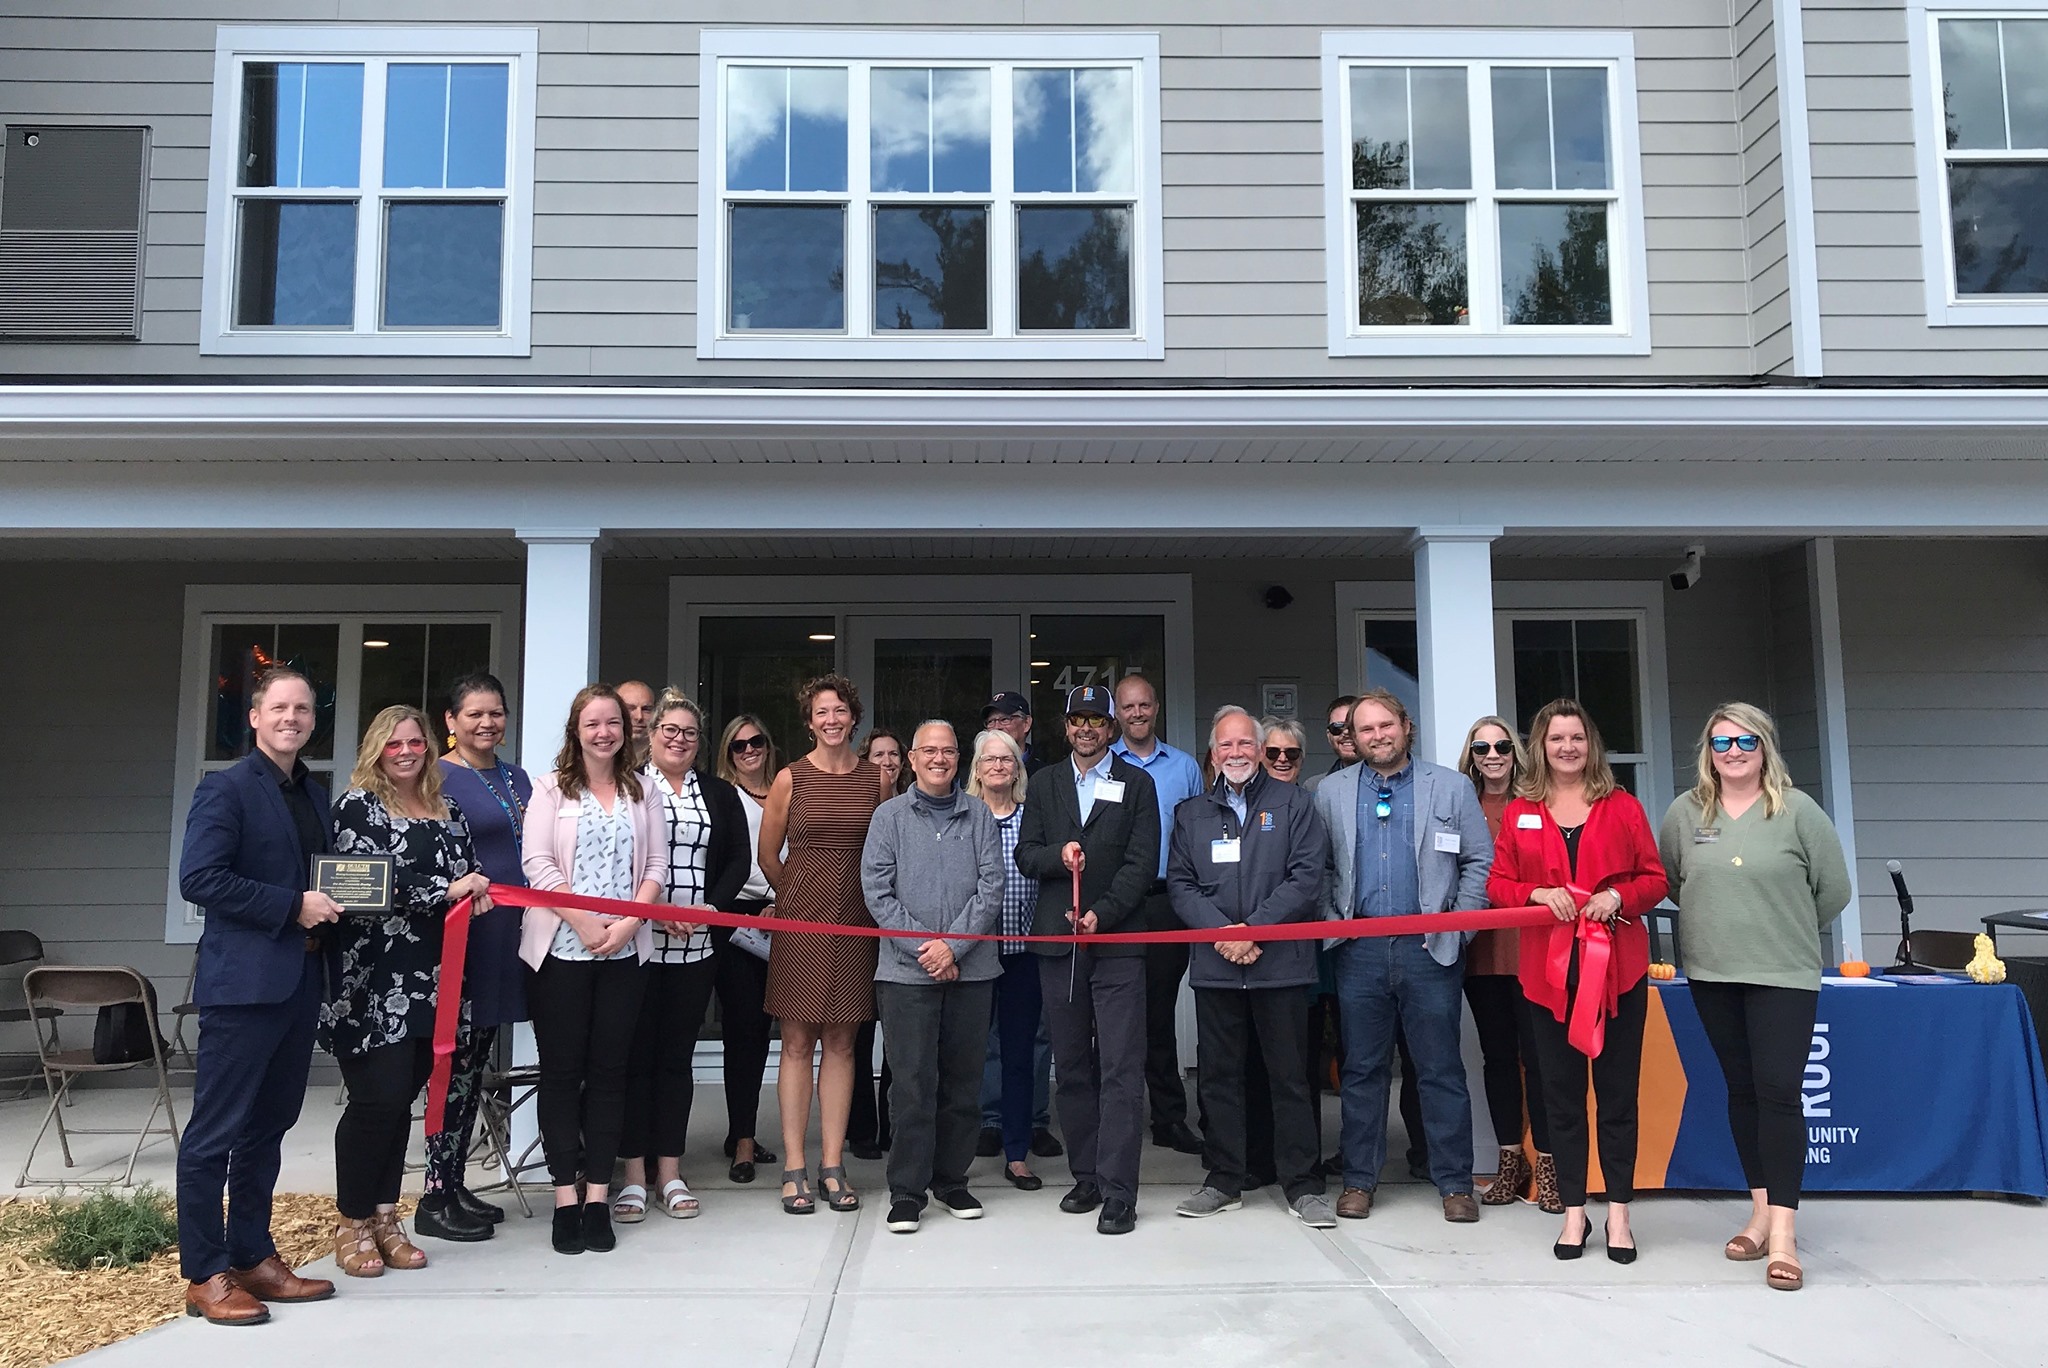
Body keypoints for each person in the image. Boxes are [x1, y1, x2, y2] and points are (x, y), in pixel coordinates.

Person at [1659, 703, 1850, 1292]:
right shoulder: (1685, 813)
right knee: (1741, 1091)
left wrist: (1780, 929)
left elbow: (1834, 890)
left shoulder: (1797, 811)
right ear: (1707, 752)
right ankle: (1760, 1211)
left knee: (1778, 1093)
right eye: (1722, 743)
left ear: (1765, 747)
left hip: (1783, 975)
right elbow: (1673, 882)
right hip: (1713, 974)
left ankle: (1786, 1237)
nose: (1734, 752)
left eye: (1746, 741)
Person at [176, 667, 341, 1325]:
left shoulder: (315, 794)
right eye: (280, 707)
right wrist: (290, 905)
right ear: (254, 716)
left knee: (267, 1129)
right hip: (242, 987)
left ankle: (252, 1255)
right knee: (214, 1134)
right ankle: (204, 1273)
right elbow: (200, 877)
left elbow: (333, 884)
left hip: (300, 983)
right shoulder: (226, 790)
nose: (292, 718)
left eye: (302, 709)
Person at [1487, 698, 1668, 1265]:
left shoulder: (1623, 807)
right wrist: (1535, 894)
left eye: (1577, 738)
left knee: (1617, 1097)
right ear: (1540, 746)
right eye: (1556, 738)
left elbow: (1655, 879)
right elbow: (1497, 885)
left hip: (1618, 973)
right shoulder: (1521, 810)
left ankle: (1618, 1211)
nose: (1567, 747)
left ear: (1592, 745)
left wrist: (1619, 896)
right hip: (1546, 977)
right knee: (1560, 1097)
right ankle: (1572, 1212)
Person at [324, 706, 492, 1276]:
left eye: (415, 742)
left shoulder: (449, 807)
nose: (405, 751)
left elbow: (470, 870)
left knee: (404, 1101)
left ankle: (384, 1215)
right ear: (376, 749)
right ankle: (350, 1219)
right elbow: (362, 882)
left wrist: (476, 890)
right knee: (378, 1099)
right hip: (373, 982)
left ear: (429, 746)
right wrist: (449, 889)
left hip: (439, 978)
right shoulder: (358, 807)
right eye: (392, 743)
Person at [1313, 689, 1492, 1224]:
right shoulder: (1331, 791)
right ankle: (1359, 1181)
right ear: (1353, 737)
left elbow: (1478, 863)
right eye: (1364, 729)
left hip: (1429, 950)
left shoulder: (1451, 786)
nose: (1376, 736)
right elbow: (1318, 867)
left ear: (1405, 726)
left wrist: (1455, 931)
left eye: (1385, 725)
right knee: (1362, 1069)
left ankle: (1455, 1183)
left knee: (1438, 1069)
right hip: (1359, 950)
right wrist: (1331, 924)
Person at [1167, 707, 1334, 1227]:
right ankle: (1223, 1180)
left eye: (1245, 744)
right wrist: (1224, 935)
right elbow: (1180, 884)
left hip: (1279, 964)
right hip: (1217, 968)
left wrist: (1253, 930)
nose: (1235, 753)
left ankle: (1302, 1186)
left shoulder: (1295, 803)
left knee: (1289, 1078)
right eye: (1225, 746)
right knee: (1218, 1078)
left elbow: (1307, 877)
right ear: (1212, 754)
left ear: (1260, 751)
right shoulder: (1191, 812)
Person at [520, 684, 665, 1257]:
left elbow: (653, 866)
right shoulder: (550, 790)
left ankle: (599, 1197)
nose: (604, 732)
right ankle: (564, 1199)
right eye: (592, 724)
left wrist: (629, 924)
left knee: (610, 1074)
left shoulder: (643, 790)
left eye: (613, 722)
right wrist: (582, 922)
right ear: (575, 732)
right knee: (561, 1074)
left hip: (624, 953)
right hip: (561, 951)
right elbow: (537, 863)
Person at [1015, 684, 1160, 1235]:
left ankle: (1120, 1190)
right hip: (1058, 944)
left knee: (1122, 1066)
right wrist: (1059, 855)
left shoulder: (1137, 783)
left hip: (1118, 943)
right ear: (1065, 725)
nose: (1086, 729)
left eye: (1097, 720)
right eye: (1077, 719)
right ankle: (1088, 1176)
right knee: (1072, 1065)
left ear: (1111, 727)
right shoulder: (1046, 782)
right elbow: (1028, 854)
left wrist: (1103, 911)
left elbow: (1142, 863)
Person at [861, 721, 1005, 1233]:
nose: (939, 759)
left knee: (963, 1084)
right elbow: (878, 893)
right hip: (905, 974)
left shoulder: (981, 814)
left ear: (957, 758)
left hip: (972, 972)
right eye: (929, 751)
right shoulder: (888, 817)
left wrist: (954, 946)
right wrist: (929, 949)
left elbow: (993, 884)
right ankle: (907, 1189)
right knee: (913, 1084)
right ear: (912, 759)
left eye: (948, 751)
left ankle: (951, 1180)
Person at [616, 691, 751, 1223]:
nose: (678, 739)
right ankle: (632, 1177)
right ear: (651, 735)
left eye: (689, 732)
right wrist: (654, 910)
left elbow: (739, 858)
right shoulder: (629, 788)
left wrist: (710, 908)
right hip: (639, 943)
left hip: (696, 948)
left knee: (675, 1061)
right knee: (632, 1059)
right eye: (669, 730)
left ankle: (669, 1172)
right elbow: (616, 859)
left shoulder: (718, 793)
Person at [759, 674, 883, 1215]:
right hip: (801, 923)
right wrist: (799, 896)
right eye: (821, 713)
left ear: (853, 717)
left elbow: (888, 852)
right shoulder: (790, 778)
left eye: (840, 711)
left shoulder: (879, 780)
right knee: (795, 1044)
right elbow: (768, 855)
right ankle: (793, 1166)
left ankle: (833, 1164)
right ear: (809, 722)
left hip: (859, 922)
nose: (831, 720)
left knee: (844, 1044)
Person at [422, 672, 532, 1242]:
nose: (487, 724)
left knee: (478, 1059)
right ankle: (434, 1194)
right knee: (454, 1062)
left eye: (496, 713)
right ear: (450, 722)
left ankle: (455, 1179)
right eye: (474, 715)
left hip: (513, 934)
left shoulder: (517, 777)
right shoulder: (435, 776)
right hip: (466, 937)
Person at [1456, 716, 1559, 1213]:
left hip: (1533, 950)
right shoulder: (1459, 805)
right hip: (1481, 952)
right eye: (1481, 747)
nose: (1492, 755)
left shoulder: (1538, 804)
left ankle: (1550, 1167)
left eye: (1501, 745)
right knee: (1496, 1059)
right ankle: (1508, 1163)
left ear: (1516, 751)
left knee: (1539, 1060)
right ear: (1470, 755)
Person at [1110, 674, 1205, 1156]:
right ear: (1117, 713)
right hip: (1120, 903)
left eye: (1144, 705)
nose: (1138, 713)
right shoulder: (1106, 767)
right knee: (1119, 1014)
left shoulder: (1185, 767)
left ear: (1156, 708)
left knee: (1160, 1012)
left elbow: (1197, 834)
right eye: (1128, 707)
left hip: (1169, 900)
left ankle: (1169, 1118)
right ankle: (1118, 1116)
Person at [966, 727, 1046, 1189]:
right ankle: (957, 1153)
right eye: (989, 759)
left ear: (1018, 768)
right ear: (976, 768)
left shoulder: (1033, 818)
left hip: (1023, 953)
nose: (998, 766)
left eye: (1007, 759)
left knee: (1018, 1054)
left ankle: (1017, 1153)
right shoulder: (964, 816)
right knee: (967, 1055)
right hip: (973, 953)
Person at [712, 714, 782, 1182]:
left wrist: (785, 902)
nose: (749, 750)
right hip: (736, 918)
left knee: (778, 1032)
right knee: (744, 1031)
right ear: (728, 753)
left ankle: (747, 1130)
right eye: (739, 745)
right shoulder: (718, 795)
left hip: (788, 912)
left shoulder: (787, 787)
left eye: (757, 741)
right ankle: (742, 1139)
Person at [849, 727, 909, 1158]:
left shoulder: (914, 804)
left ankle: (894, 1123)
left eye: (893, 755)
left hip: (901, 930)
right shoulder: (854, 800)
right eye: (877, 755)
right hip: (856, 925)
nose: (886, 761)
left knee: (899, 1039)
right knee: (855, 1033)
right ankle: (861, 1130)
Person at [1304, 695, 1359, 793]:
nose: (1346, 732)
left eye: (1353, 726)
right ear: (1329, 736)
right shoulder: (1314, 787)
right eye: (1337, 727)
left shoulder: (1387, 781)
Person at [982, 691, 1036, 770]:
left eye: (1004, 719)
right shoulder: (977, 772)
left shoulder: (1045, 776)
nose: (997, 727)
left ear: (1026, 723)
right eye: (991, 721)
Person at [618, 680, 657, 768]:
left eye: (646, 709)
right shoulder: (605, 759)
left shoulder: (664, 760)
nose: (639, 717)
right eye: (630, 709)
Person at [1261, 716, 1307, 786]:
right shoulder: (1243, 796)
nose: (1283, 759)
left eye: (1292, 752)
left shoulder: (1313, 797)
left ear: (1301, 758)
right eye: (1273, 752)